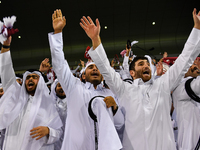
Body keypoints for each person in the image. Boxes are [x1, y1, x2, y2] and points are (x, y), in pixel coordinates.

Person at [80, 8, 200, 150]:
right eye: (141, 64)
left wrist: (197, 28)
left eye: (148, 64)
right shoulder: (124, 89)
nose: (146, 66)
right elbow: (105, 69)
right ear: (132, 72)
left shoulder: (163, 85)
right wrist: (95, 39)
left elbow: (185, 59)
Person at [48, 9, 123, 150]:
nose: (95, 69)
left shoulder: (110, 93)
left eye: (97, 68)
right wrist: (58, 33)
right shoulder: (74, 87)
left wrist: (115, 108)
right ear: (83, 75)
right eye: (91, 68)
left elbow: (119, 126)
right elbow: (59, 64)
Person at [0, 36, 63, 150]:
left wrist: (49, 131)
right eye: (28, 77)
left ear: (41, 83)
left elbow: (58, 132)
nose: (30, 79)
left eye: (34, 77)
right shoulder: (15, 99)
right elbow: (6, 73)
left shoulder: (49, 105)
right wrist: (5, 47)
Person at [172, 58, 200, 150]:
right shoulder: (180, 88)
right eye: (191, 65)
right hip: (191, 143)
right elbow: (197, 86)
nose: (195, 66)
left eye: (195, 64)